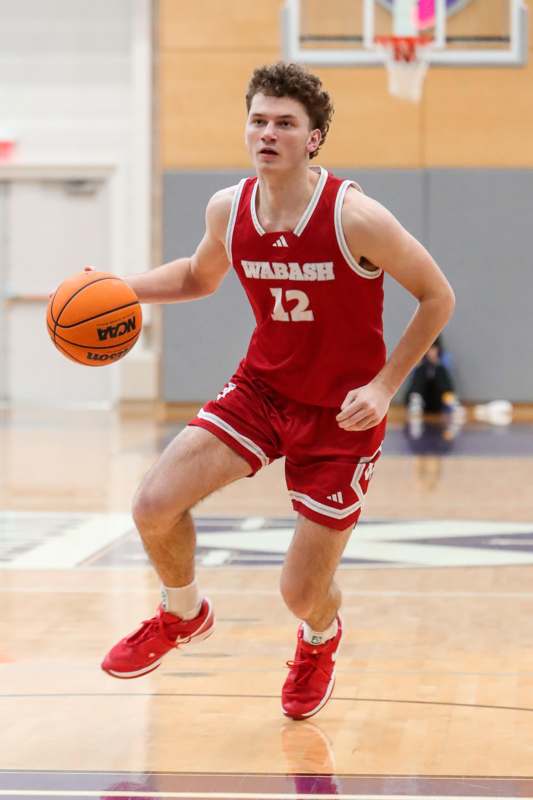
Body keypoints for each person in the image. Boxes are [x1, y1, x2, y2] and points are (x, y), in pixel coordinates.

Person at [100, 62, 455, 720]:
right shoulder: (228, 208)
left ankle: (319, 637)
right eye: (258, 120)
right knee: (152, 504)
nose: (267, 133)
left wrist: (384, 386)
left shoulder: (356, 217)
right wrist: (121, 289)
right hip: (262, 391)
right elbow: (198, 276)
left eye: (285, 124)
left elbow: (438, 297)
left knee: (300, 592)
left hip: (342, 416)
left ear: (313, 138)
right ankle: (183, 612)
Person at [405, 336, 460, 415]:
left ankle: (450, 401)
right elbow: (412, 378)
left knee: (440, 370)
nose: (431, 351)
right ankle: (415, 401)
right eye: (429, 349)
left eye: (434, 348)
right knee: (421, 369)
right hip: (423, 398)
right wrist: (421, 363)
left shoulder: (444, 358)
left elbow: (448, 377)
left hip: (438, 399)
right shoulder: (419, 359)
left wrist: (436, 363)